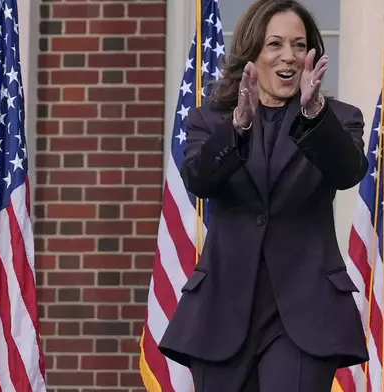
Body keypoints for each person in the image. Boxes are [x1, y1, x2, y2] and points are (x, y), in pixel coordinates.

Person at [158, 0, 369, 390]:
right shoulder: (211, 121)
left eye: (299, 45)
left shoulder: (336, 119)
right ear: (253, 52)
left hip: (305, 312)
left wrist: (314, 115)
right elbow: (199, 180)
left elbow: (348, 172)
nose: (289, 56)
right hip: (223, 311)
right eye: (275, 44)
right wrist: (238, 126)